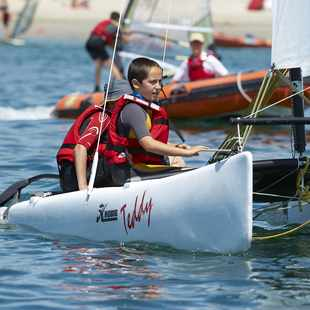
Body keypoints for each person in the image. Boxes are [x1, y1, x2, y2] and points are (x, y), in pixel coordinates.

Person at [104, 57, 208, 186]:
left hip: (142, 167)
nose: (158, 87)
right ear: (136, 84)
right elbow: (148, 144)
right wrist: (186, 153)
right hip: (127, 172)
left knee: (184, 167)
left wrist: (174, 147)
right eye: (153, 82)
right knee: (189, 174)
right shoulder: (133, 109)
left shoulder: (147, 108)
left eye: (160, 81)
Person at [56, 80, 133, 192]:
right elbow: (80, 148)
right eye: (127, 102)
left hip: (92, 171)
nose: (131, 106)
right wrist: (83, 188)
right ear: (112, 103)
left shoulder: (118, 119)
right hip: (73, 177)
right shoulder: (102, 118)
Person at [85, 11, 129, 92]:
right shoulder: (114, 25)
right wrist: (124, 35)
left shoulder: (104, 23)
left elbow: (106, 40)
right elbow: (124, 40)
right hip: (98, 42)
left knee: (99, 63)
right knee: (111, 65)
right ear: (117, 20)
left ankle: (97, 87)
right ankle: (123, 87)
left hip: (89, 43)